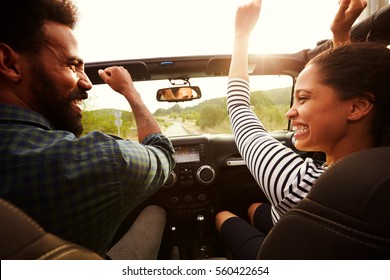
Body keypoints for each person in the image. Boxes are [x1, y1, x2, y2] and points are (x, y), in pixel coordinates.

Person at [0, 0, 175, 259]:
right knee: (155, 212)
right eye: (72, 65)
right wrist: (130, 92)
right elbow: (163, 153)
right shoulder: (101, 160)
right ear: (9, 64)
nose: (87, 83)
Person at [216, 0, 390, 259]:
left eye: (304, 98)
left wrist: (241, 35)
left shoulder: (293, 183)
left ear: (357, 107)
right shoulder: (379, 171)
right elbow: (355, 89)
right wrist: (340, 38)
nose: (289, 111)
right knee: (255, 208)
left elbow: (239, 108)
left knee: (223, 215)